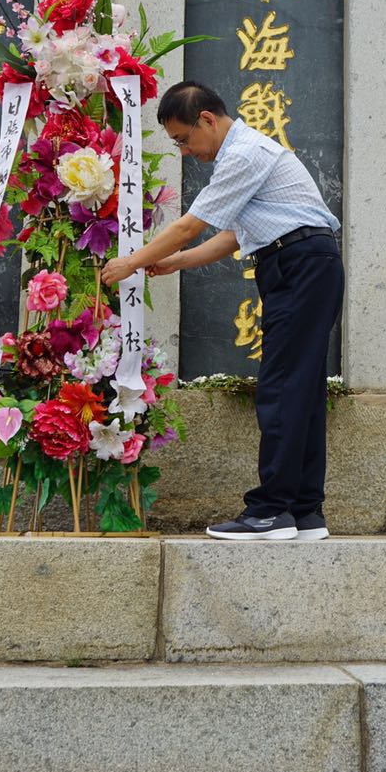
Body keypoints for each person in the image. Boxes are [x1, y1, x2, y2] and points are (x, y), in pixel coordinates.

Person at [101, 80, 343, 540]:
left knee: (282, 387)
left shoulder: (243, 154)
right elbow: (234, 235)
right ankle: (303, 512)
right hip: (305, 263)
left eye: (184, 139)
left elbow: (191, 225)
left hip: (301, 266)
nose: (186, 151)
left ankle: (270, 511)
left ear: (207, 120)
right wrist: (174, 262)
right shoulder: (247, 156)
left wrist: (133, 260)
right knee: (303, 390)